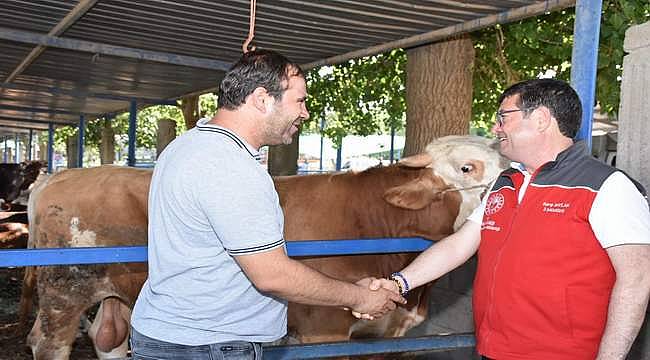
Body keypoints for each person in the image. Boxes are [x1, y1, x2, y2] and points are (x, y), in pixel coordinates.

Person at [130, 49, 405, 360]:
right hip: (209, 343)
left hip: (170, 334)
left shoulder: (188, 144)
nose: (305, 113)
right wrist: (357, 297)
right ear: (262, 99)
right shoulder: (231, 166)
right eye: (299, 101)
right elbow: (272, 275)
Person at [361, 79, 650, 359]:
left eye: (503, 118)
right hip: (493, 348)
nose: (494, 128)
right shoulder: (506, 181)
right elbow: (459, 245)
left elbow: (636, 279)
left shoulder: (607, 186)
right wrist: (399, 283)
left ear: (540, 118)